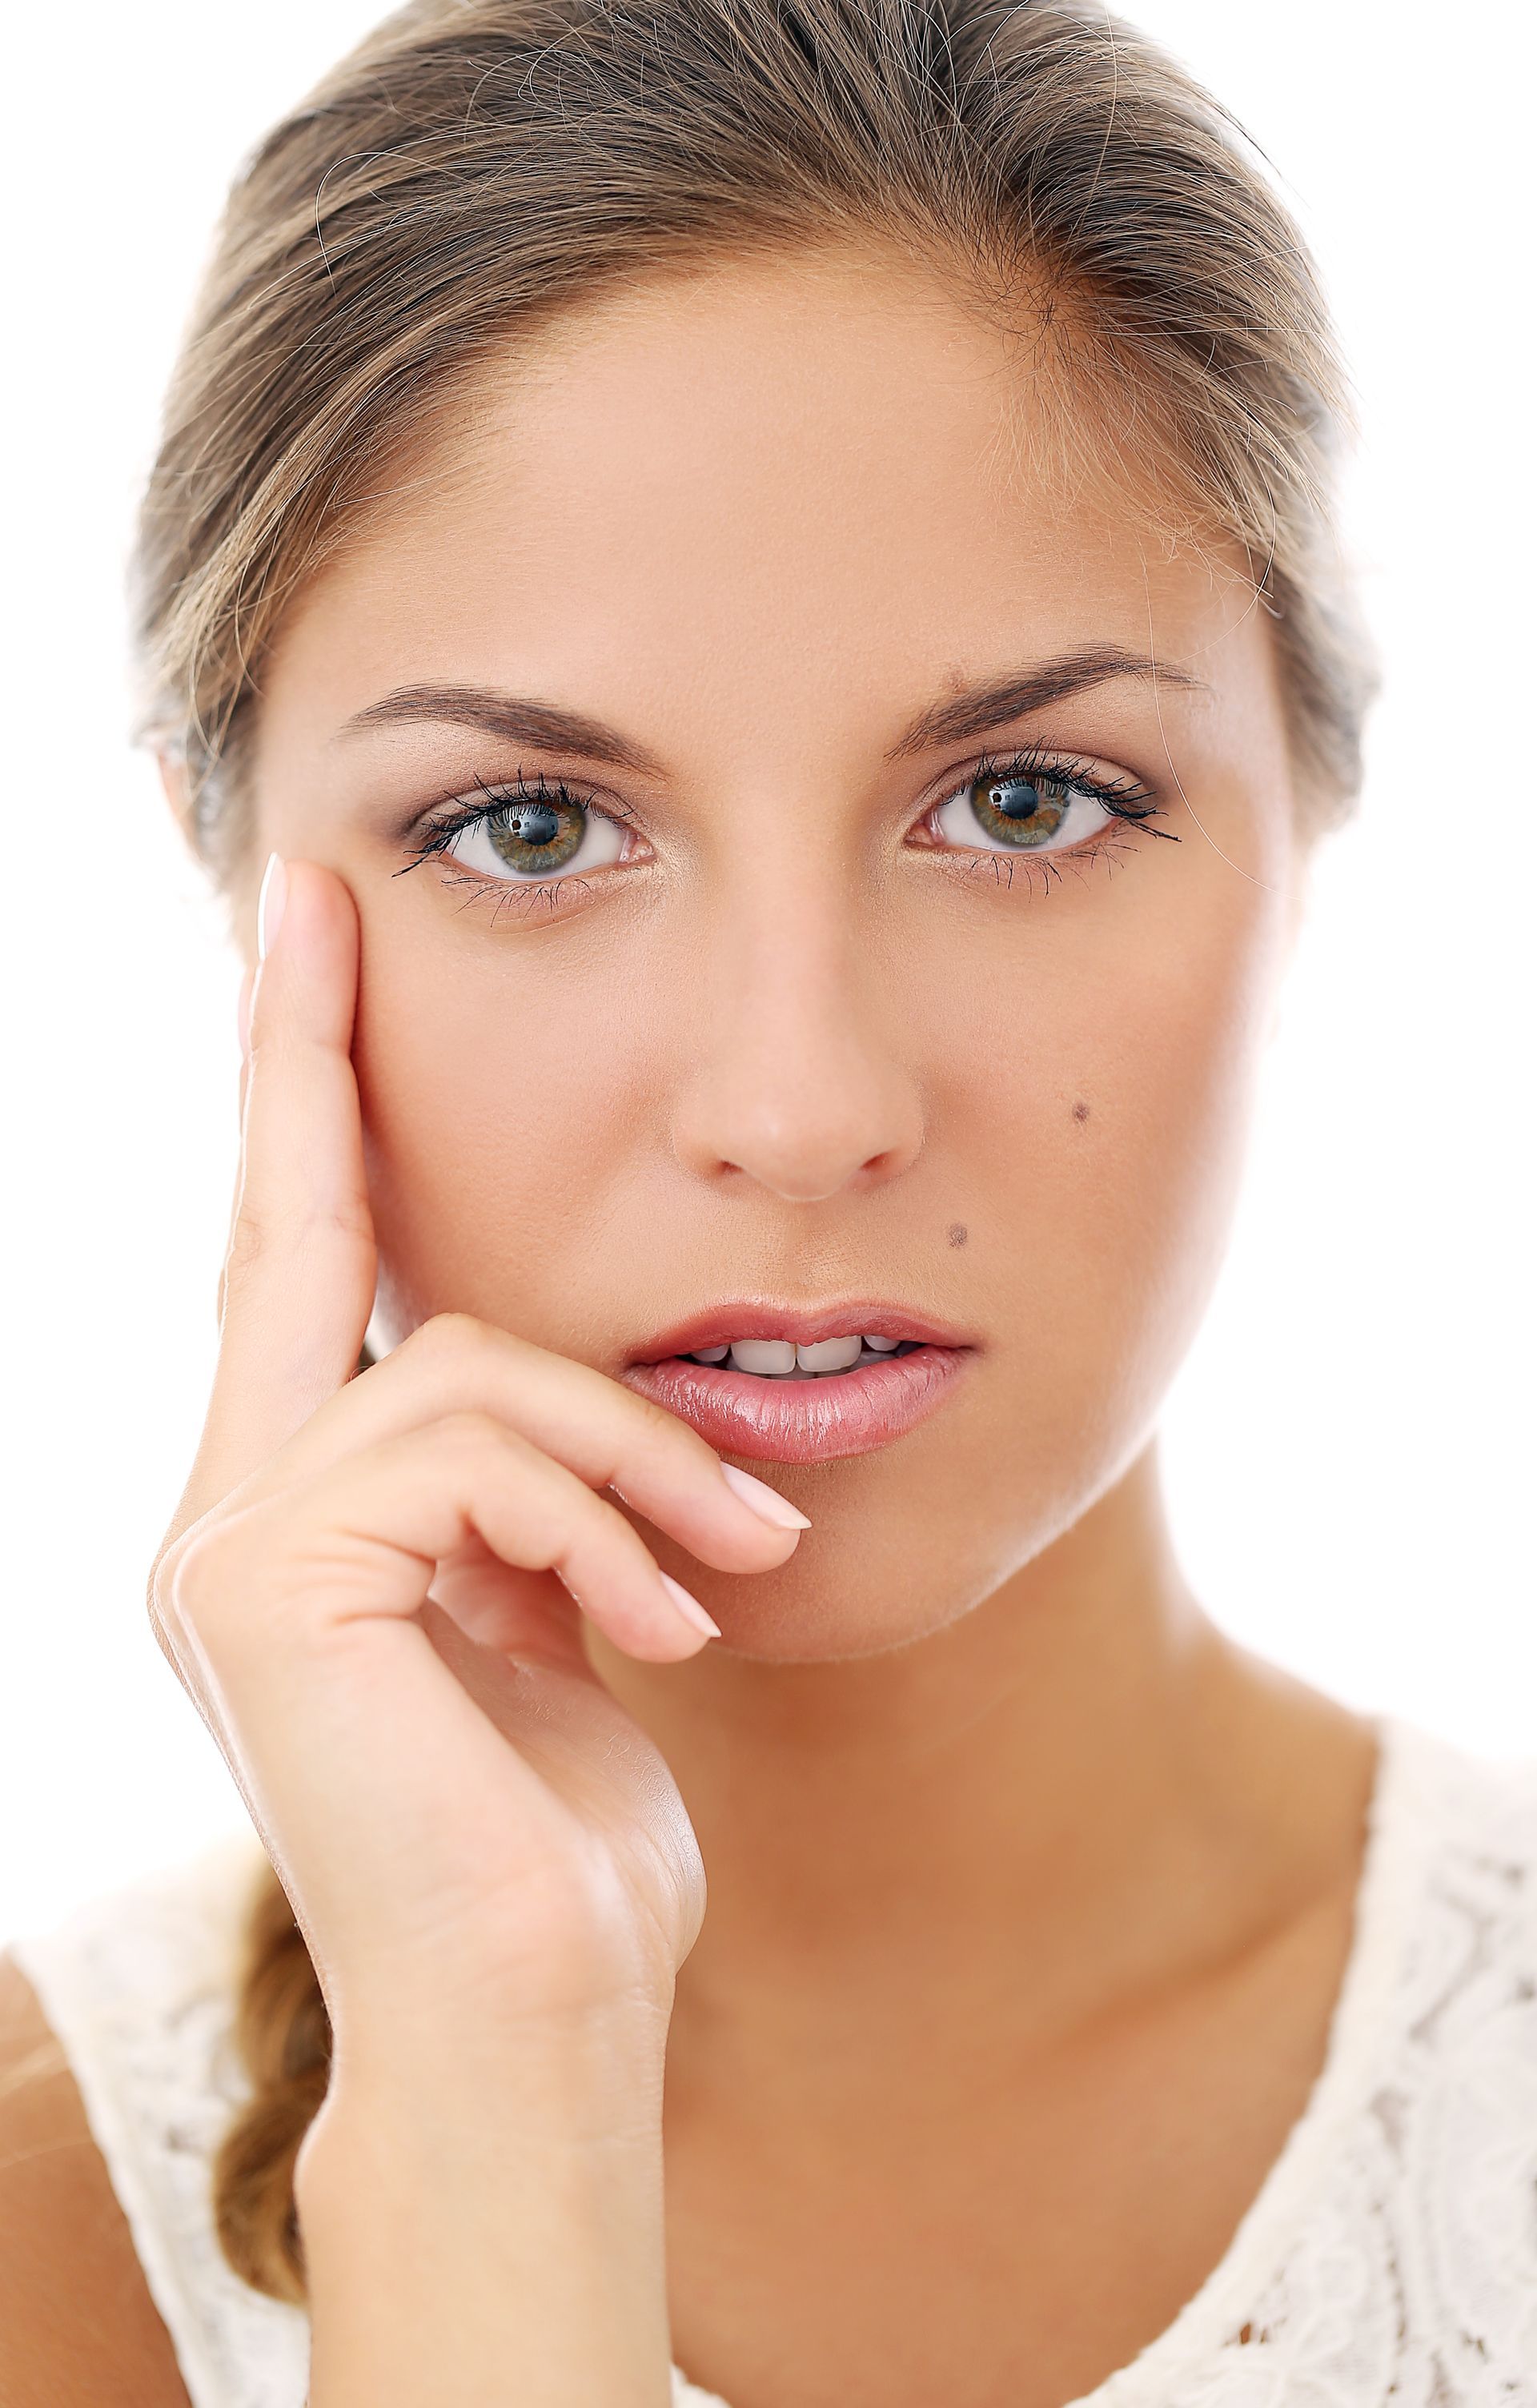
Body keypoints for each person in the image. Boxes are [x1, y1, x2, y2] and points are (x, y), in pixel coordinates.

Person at [2, 2, 1534, 2402]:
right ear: (241, 898)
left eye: (1026, 803)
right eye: (531, 830)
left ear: (1307, 819)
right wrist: (492, 2089)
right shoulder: (44, 2204)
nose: (801, 1106)